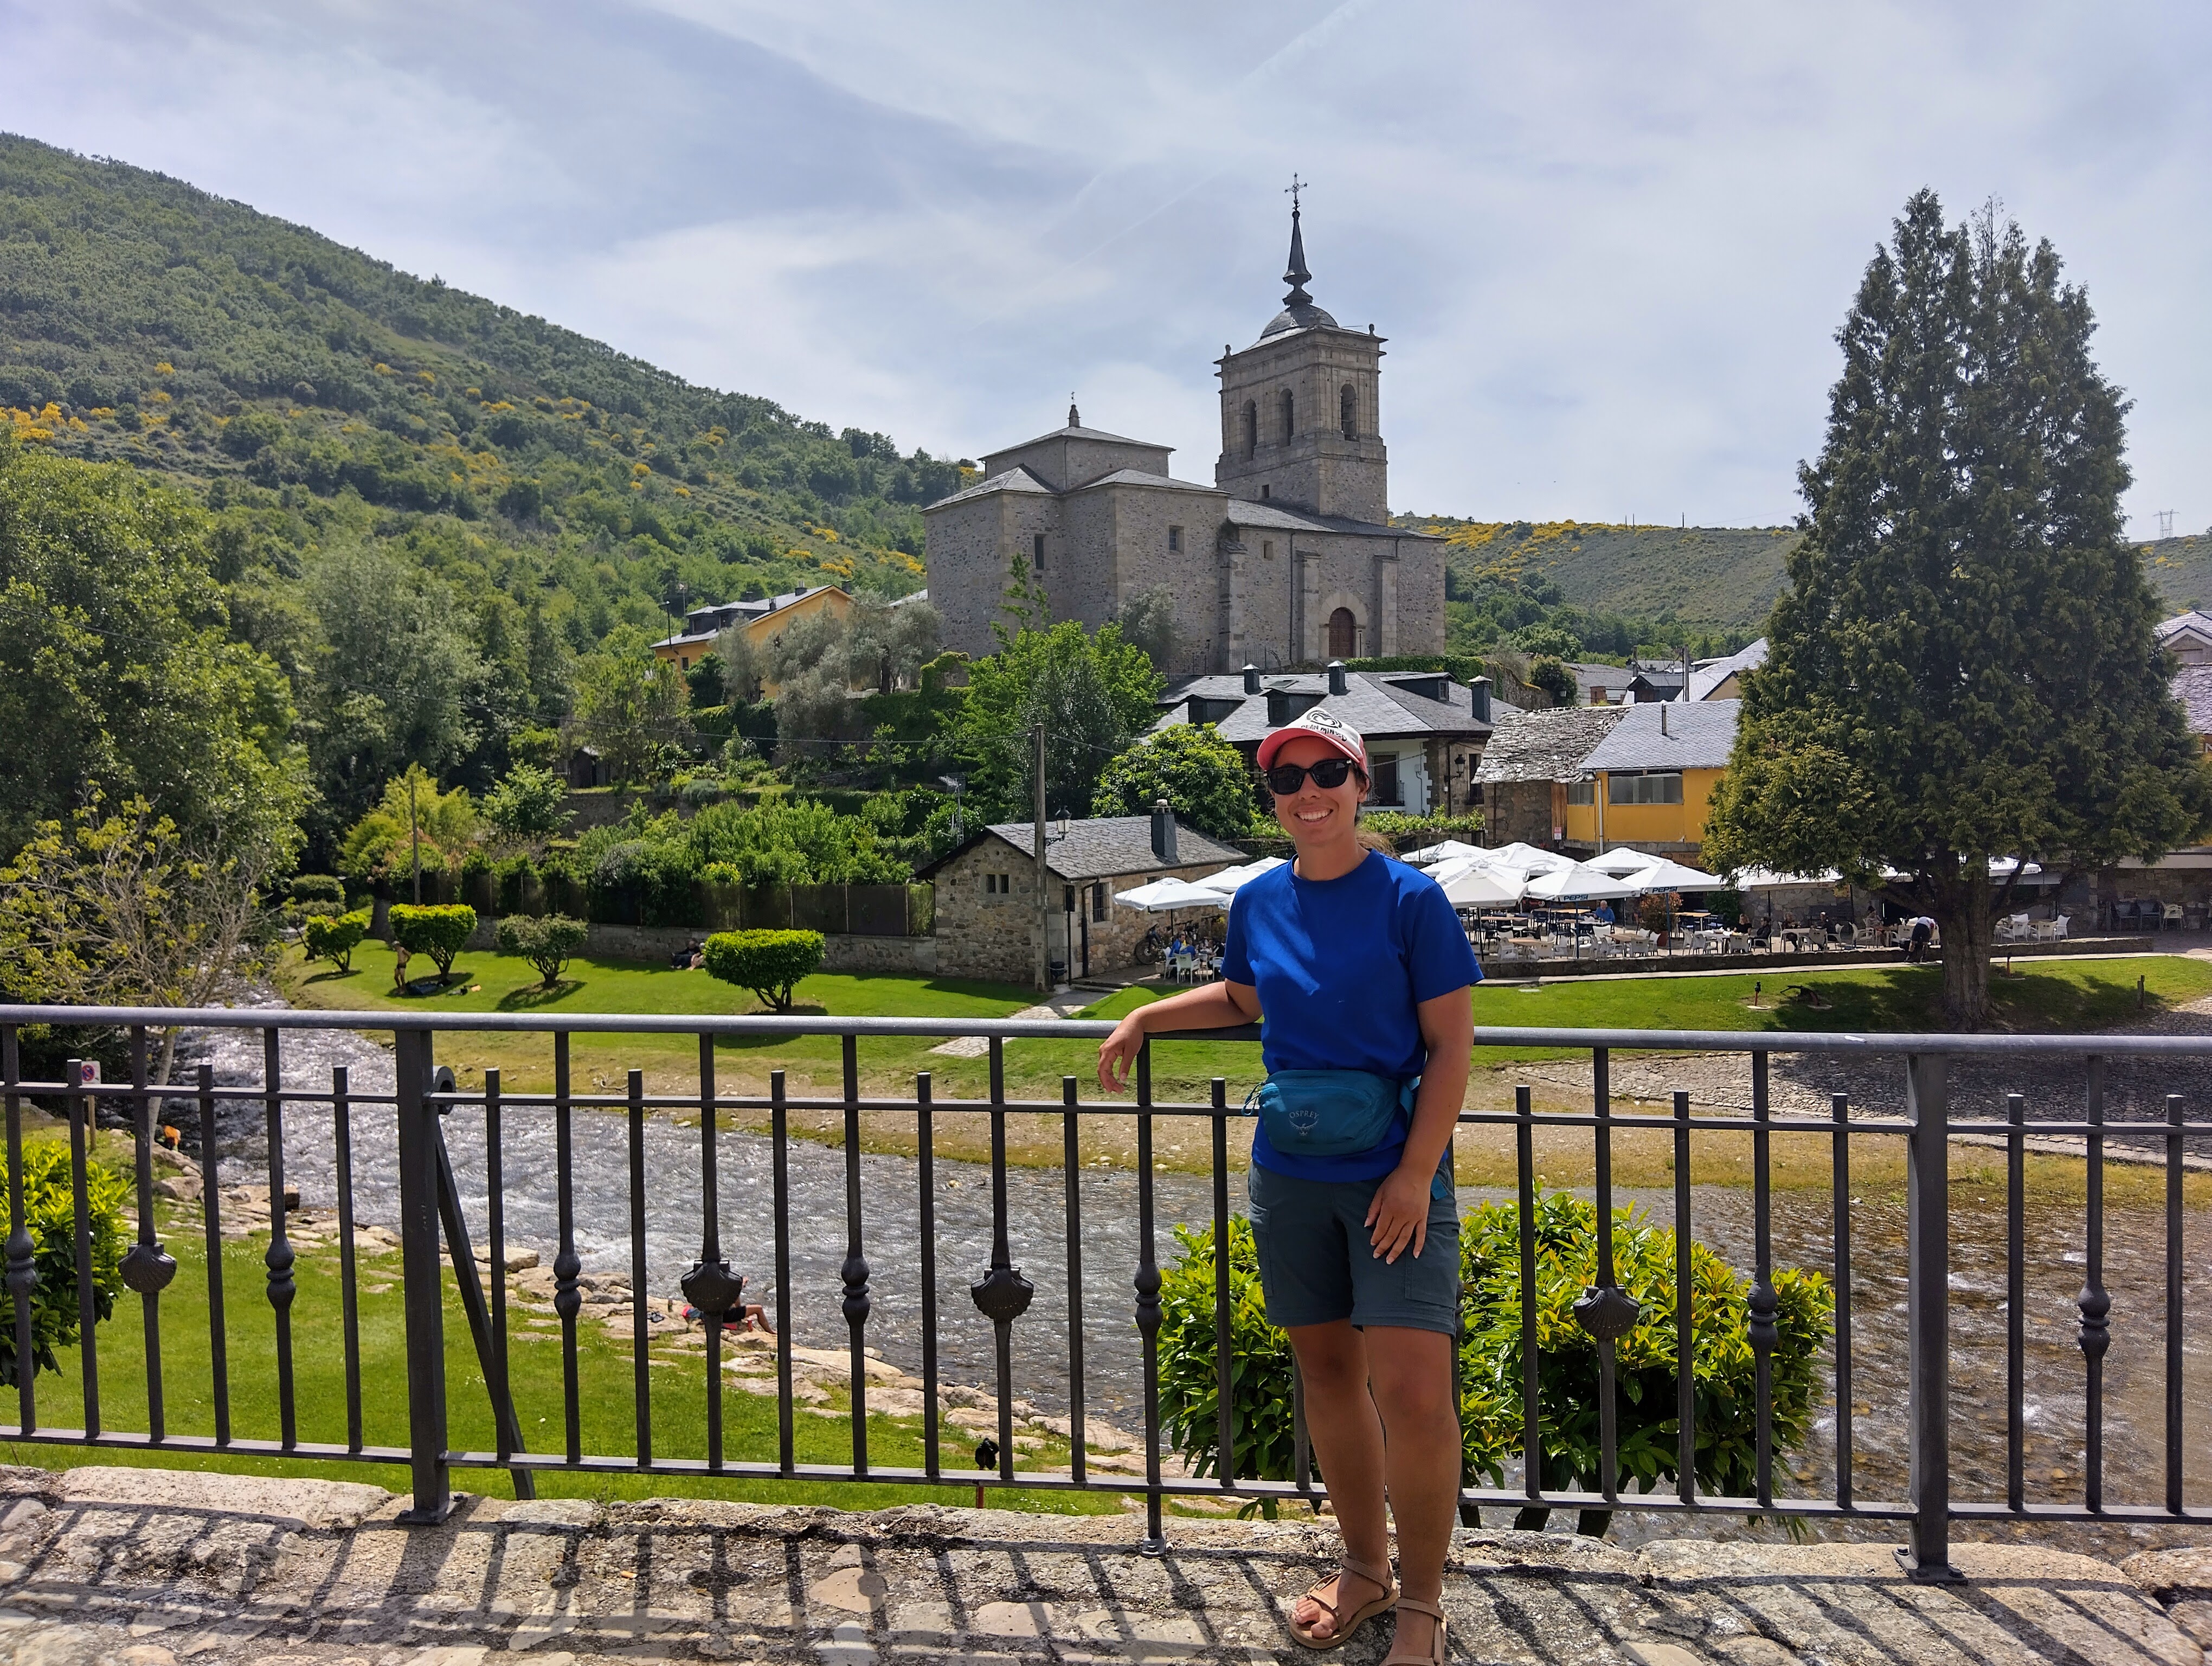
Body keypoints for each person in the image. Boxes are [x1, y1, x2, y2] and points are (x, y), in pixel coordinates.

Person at [1098, 707, 1476, 1665]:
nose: (1307, 793)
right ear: (1272, 797)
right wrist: (1146, 1014)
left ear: (1360, 786)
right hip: (1291, 1171)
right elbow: (1243, 998)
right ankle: (1364, 1569)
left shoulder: (1410, 900)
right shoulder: (1261, 900)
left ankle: (1423, 1604)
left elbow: (1452, 1045)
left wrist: (1416, 1174)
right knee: (1327, 1374)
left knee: (1416, 1392)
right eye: (1287, 779)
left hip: (1393, 1176)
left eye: (1326, 775)